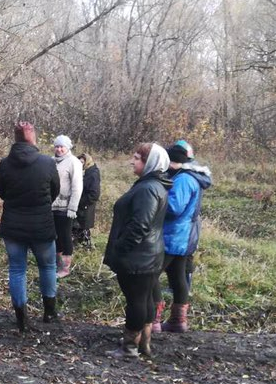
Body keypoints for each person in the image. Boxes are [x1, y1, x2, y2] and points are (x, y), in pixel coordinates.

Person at [103, 143, 171, 358]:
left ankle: (130, 346)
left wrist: (120, 248)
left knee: (137, 302)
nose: (132, 161)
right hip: (148, 255)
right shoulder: (152, 185)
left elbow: (140, 225)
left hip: (138, 257)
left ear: (149, 162)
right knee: (146, 299)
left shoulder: (148, 189)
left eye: (137, 158)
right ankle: (144, 344)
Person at [0, 122, 60, 331]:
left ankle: (22, 318)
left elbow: (1, 192)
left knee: (17, 269)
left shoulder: (5, 164)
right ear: (33, 138)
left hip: (13, 225)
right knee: (48, 266)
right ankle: (50, 312)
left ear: (15, 139)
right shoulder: (47, 163)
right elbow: (55, 191)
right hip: (41, 224)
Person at [152, 140, 212, 333]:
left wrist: (156, 201)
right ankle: (178, 321)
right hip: (184, 235)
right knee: (177, 275)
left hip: (174, 235)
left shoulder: (184, 179)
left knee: (151, 274)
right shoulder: (191, 176)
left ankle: (152, 320)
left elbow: (174, 208)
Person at [51, 135, 83, 278]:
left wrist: (72, 207)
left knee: (65, 236)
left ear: (68, 147)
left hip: (66, 208)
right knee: (55, 236)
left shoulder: (74, 162)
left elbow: (77, 186)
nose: (59, 149)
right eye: (57, 146)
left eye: (62, 146)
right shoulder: (51, 161)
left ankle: (65, 268)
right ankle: (56, 264)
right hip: (52, 206)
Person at [73, 152, 101, 250]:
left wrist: (80, 202)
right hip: (79, 207)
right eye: (79, 162)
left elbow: (94, 194)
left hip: (85, 208)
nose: (80, 164)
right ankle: (79, 248)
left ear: (87, 162)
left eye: (82, 162)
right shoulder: (82, 172)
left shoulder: (92, 174)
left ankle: (86, 249)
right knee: (76, 229)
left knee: (82, 229)